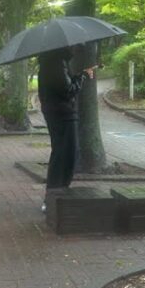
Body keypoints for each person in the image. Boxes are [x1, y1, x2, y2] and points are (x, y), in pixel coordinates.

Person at [38, 45, 94, 190]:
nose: (75, 48)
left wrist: (79, 75)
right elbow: (68, 90)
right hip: (63, 114)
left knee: (61, 152)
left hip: (56, 112)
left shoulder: (50, 61)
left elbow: (62, 85)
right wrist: (83, 76)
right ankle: (56, 192)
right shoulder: (57, 62)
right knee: (65, 154)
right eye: (73, 46)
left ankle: (55, 192)